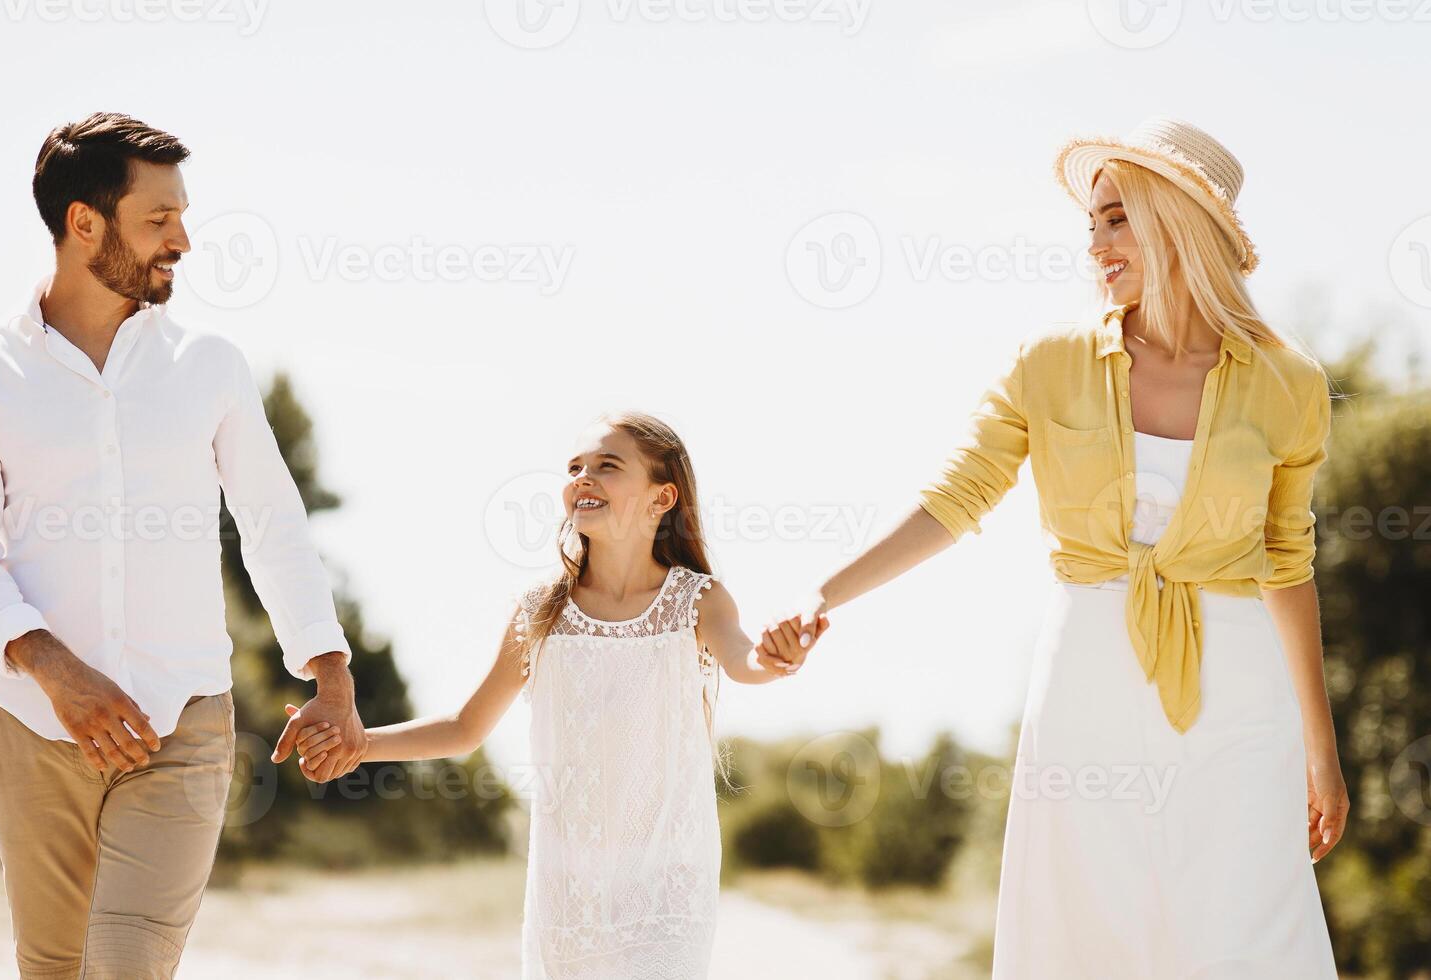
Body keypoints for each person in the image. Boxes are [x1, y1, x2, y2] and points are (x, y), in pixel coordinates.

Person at [773, 118, 1344, 978]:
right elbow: (955, 497)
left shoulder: (1288, 382)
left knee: (1244, 927)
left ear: (1176, 220)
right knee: (1090, 921)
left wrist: (1320, 750)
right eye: (1090, 225)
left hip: (1238, 686)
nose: (1096, 246)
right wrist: (825, 594)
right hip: (1088, 671)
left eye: (1116, 219)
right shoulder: (1049, 362)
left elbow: (1285, 563)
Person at [0, 111, 368, 979]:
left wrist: (330, 672)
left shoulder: (208, 364)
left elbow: (272, 523)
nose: (183, 241)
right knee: (52, 971)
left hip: (183, 724)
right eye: (157, 220)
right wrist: (56, 671)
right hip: (32, 728)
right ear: (83, 223)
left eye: (182, 216)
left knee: (125, 967)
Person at [291, 413, 806, 978]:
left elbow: (744, 661)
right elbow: (466, 726)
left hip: (667, 889)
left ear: (662, 497)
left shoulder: (697, 599)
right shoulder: (542, 611)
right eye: (575, 468)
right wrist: (356, 746)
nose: (583, 478)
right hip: (569, 897)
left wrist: (774, 658)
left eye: (607, 466)